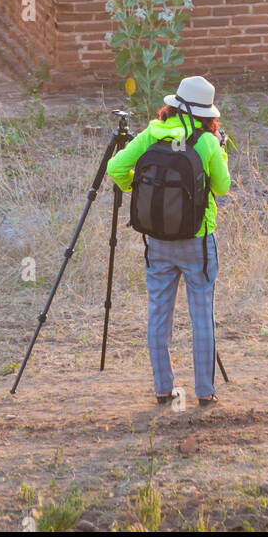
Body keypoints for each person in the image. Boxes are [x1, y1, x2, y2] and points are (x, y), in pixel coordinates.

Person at [107, 75, 231, 409]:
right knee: (201, 314)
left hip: (157, 241)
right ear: (208, 114)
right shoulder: (205, 142)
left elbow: (116, 167)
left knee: (158, 314)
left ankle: (163, 389)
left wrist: (148, 193)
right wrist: (222, 150)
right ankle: (205, 392)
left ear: (173, 105)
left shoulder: (152, 134)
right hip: (197, 241)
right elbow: (222, 187)